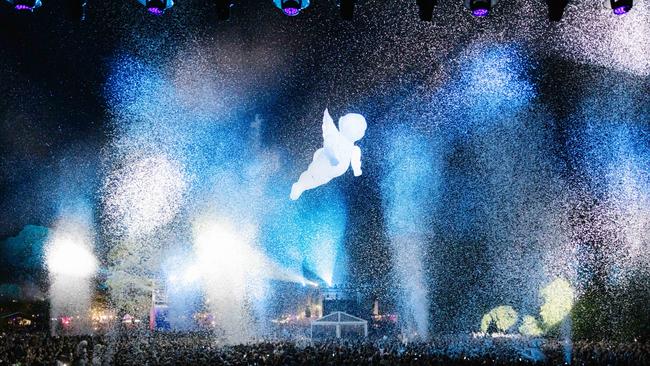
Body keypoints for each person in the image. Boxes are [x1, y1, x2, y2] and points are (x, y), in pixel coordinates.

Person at [290, 109, 367, 200]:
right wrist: (332, 158)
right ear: (360, 135)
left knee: (316, 177)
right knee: (314, 176)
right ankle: (300, 186)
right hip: (327, 163)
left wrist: (356, 169)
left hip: (330, 169)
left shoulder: (352, 147)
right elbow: (328, 146)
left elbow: (355, 161)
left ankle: (301, 186)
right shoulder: (342, 142)